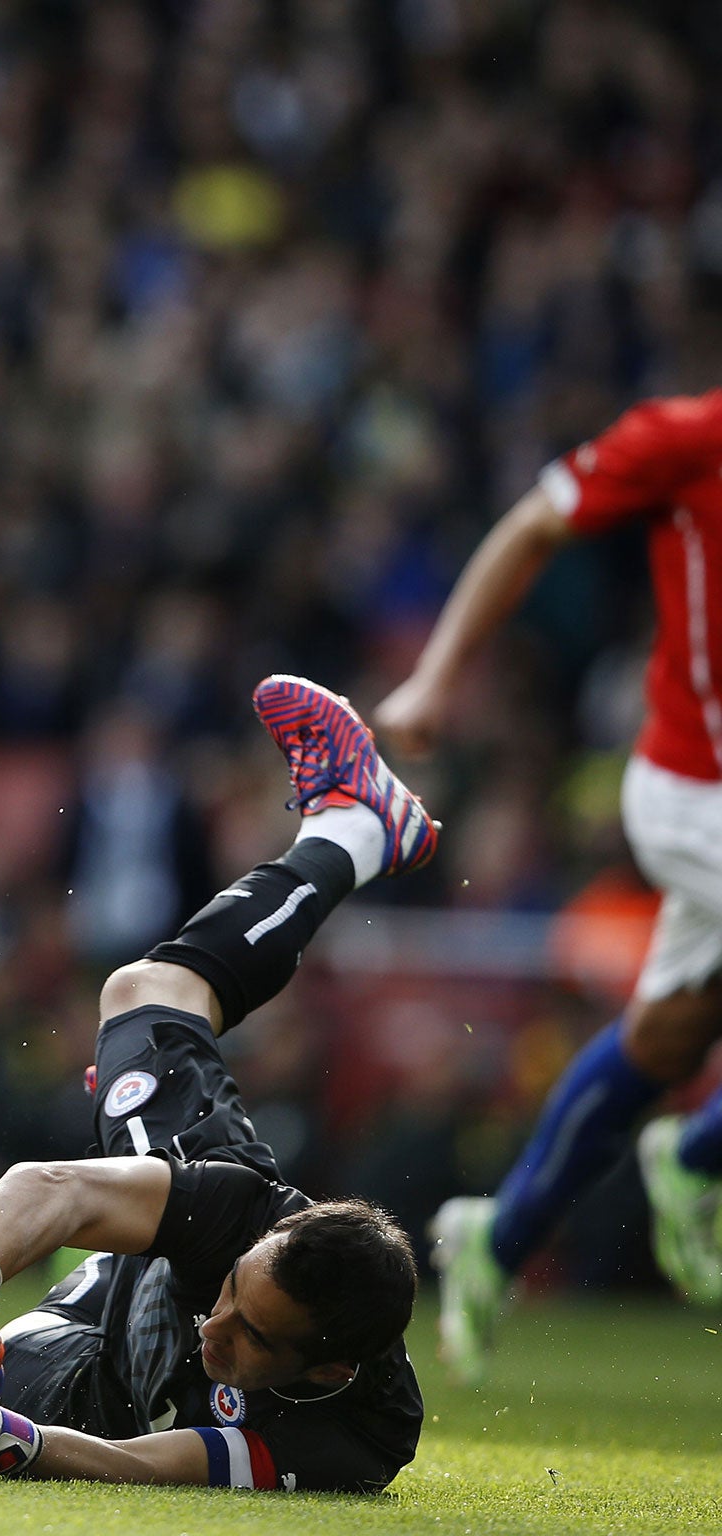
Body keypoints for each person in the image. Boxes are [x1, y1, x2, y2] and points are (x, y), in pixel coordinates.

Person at [0, 676, 431, 1493]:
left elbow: (128, 1464)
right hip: (163, 1255)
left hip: (109, 1397)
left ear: (324, 1371)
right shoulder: (249, 1216)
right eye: (234, 1295)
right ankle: (356, 826)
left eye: (252, 1335)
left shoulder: (356, 1438)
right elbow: (51, 1188)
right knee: (144, 993)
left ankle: (54, 1324)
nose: (216, 1328)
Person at [375, 392, 722, 1383]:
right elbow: (531, 523)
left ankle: (499, 1235)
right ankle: (697, 1155)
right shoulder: (681, 437)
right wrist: (436, 678)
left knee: (668, 1033)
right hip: (690, 791)